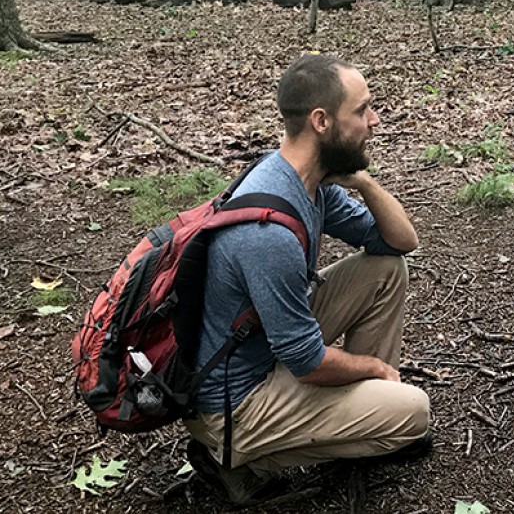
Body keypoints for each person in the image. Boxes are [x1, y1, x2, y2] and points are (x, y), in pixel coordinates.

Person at [184, 54, 431, 505]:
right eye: (362, 110)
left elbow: (399, 243)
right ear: (321, 121)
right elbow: (307, 362)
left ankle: (365, 411)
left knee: (385, 271)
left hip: (262, 348)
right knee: (414, 412)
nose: (374, 121)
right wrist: (375, 368)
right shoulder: (268, 232)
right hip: (235, 403)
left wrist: (367, 183)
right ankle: (231, 457)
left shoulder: (308, 183)